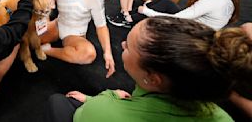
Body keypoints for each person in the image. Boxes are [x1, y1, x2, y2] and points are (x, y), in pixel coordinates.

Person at [46, 17, 252, 122]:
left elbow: (86, 114)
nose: (123, 47)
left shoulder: (102, 110)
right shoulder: (224, 118)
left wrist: (105, 97)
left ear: (153, 78)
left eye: (129, 47)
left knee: (59, 103)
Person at [40, 0, 115, 78]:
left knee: (88, 54)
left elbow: (101, 27)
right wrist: (46, 14)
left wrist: (108, 52)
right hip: (58, 25)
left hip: (74, 34)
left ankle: (47, 51)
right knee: (30, 40)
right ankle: (43, 45)